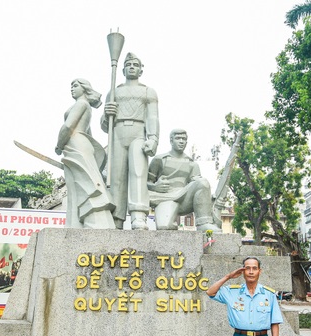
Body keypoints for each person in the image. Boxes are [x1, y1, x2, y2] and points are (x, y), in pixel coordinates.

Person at [101, 52, 159, 230]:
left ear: (141, 70)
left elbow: (153, 117)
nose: (132, 67)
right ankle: (116, 217)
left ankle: (138, 215)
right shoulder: (114, 91)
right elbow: (105, 126)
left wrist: (153, 138)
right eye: (128, 64)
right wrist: (107, 114)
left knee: (138, 173)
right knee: (116, 177)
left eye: (135, 64)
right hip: (117, 133)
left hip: (138, 133)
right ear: (123, 69)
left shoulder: (148, 91)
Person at [56, 78, 116, 229]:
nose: (72, 89)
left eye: (75, 86)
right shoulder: (86, 106)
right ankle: (76, 223)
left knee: (85, 183)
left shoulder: (81, 104)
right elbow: (89, 134)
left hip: (76, 144)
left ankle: (91, 222)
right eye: (71, 86)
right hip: (81, 144)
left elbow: (68, 127)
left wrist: (58, 145)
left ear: (84, 88)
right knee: (79, 183)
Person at [147, 129, 221, 232]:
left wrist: (208, 196)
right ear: (171, 140)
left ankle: (204, 223)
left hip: (184, 199)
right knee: (164, 227)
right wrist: (154, 186)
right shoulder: (159, 160)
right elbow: (144, 184)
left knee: (203, 182)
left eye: (184, 139)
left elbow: (198, 185)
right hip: (164, 198)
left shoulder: (192, 164)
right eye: (178, 138)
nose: (181, 141)